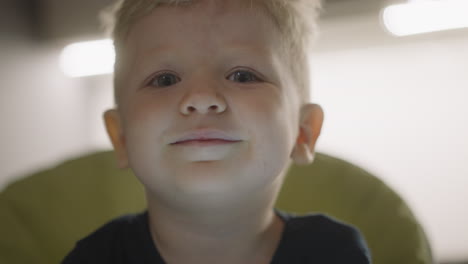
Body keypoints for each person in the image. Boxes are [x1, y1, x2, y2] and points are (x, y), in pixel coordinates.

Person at [62, 0, 371, 263]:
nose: (201, 98)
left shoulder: (333, 253)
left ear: (304, 132)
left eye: (242, 75)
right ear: (121, 137)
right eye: (165, 79)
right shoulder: (95, 258)